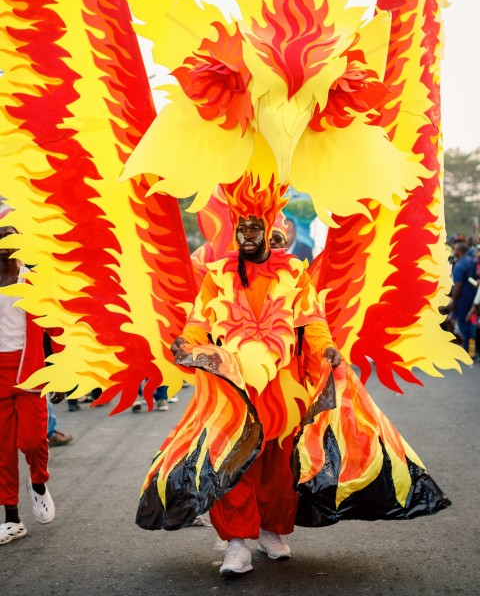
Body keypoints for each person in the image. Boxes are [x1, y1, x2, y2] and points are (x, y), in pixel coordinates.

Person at [136, 176, 449, 577]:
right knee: (233, 462)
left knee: (278, 465)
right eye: (241, 228)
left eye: (254, 228)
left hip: (284, 389)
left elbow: (313, 321)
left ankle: (271, 529)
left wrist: (325, 349)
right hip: (233, 389)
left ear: (271, 231)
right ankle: (236, 544)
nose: (247, 235)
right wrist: (188, 343)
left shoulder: (294, 275)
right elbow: (199, 322)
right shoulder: (217, 276)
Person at [0, 212, 63, 545]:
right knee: (2, 451)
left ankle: (38, 483)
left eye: (8, 236)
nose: (2, 244)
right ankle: (11, 516)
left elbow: (57, 328)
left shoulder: (34, 281)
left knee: (33, 441)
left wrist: (63, 373)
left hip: (29, 374)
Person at [442, 240, 477, 352]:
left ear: (459, 251)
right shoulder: (471, 261)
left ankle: (468, 348)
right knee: (472, 323)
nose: (453, 251)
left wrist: (454, 300)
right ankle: (471, 349)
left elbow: (458, 285)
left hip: (463, 300)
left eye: (455, 249)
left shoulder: (459, 265)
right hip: (473, 300)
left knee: (464, 323)